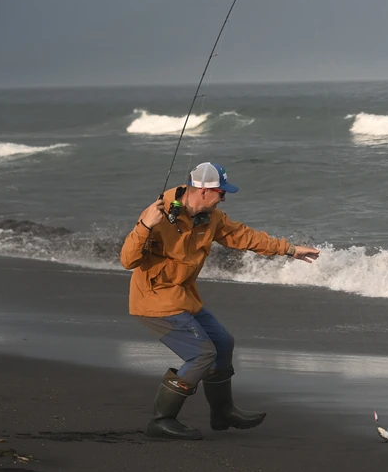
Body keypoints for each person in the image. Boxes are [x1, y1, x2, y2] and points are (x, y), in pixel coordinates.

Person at [119, 162, 320, 440]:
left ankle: (222, 412)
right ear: (203, 190)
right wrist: (144, 225)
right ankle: (161, 420)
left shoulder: (210, 216)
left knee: (223, 343)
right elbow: (128, 260)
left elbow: (244, 236)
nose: (224, 198)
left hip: (184, 297)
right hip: (154, 301)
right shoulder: (158, 214)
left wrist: (290, 250)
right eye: (221, 193)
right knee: (202, 354)